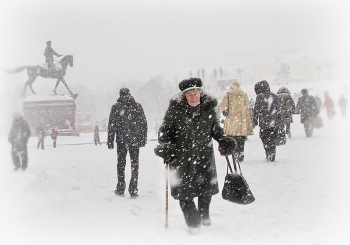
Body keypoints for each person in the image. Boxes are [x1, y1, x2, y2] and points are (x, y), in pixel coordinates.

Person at [155, 78, 236, 234]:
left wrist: (223, 140)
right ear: (184, 96)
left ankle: (204, 213)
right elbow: (164, 132)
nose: (193, 97)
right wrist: (165, 146)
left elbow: (216, 131)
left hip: (204, 155)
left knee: (205, 188)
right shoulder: (175, 111)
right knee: (184, 191)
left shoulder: (208, 109)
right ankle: (193, 220)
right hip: (180, 158)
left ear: (200, 93)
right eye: (190, 95)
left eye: (196, 93)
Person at [107, 88, 148, 198]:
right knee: (135, 164)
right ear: (130, 94)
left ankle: (120, 187)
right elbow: (143, 123)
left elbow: (112, 125)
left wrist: (110, 140)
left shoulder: (116, 107)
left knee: (121, 164)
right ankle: (133, 189)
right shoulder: (137, 106)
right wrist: (143, 139)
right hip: (134, 140)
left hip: (121, 140)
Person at [219, 81, 253, 162]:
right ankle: (240, 154)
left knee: (233, 139)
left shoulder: (228, 95)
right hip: (242, 121)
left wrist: (224, 111)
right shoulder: (244, 95)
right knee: (241, 140)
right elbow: (248, 108)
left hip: (232, 121)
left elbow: (221, 105)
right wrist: (249, 119)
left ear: (232, 87)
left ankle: (235, 154)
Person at [253, 80, 281, 162]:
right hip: (273, 122)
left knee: (264, 138)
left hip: (264, 122)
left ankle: (268, 152)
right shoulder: (275, 96)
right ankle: (272, 153)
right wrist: (279, 121)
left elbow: (256, 110)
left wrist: (254, 120)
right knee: (272, 138)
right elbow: (278, 110)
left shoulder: (259, 97)